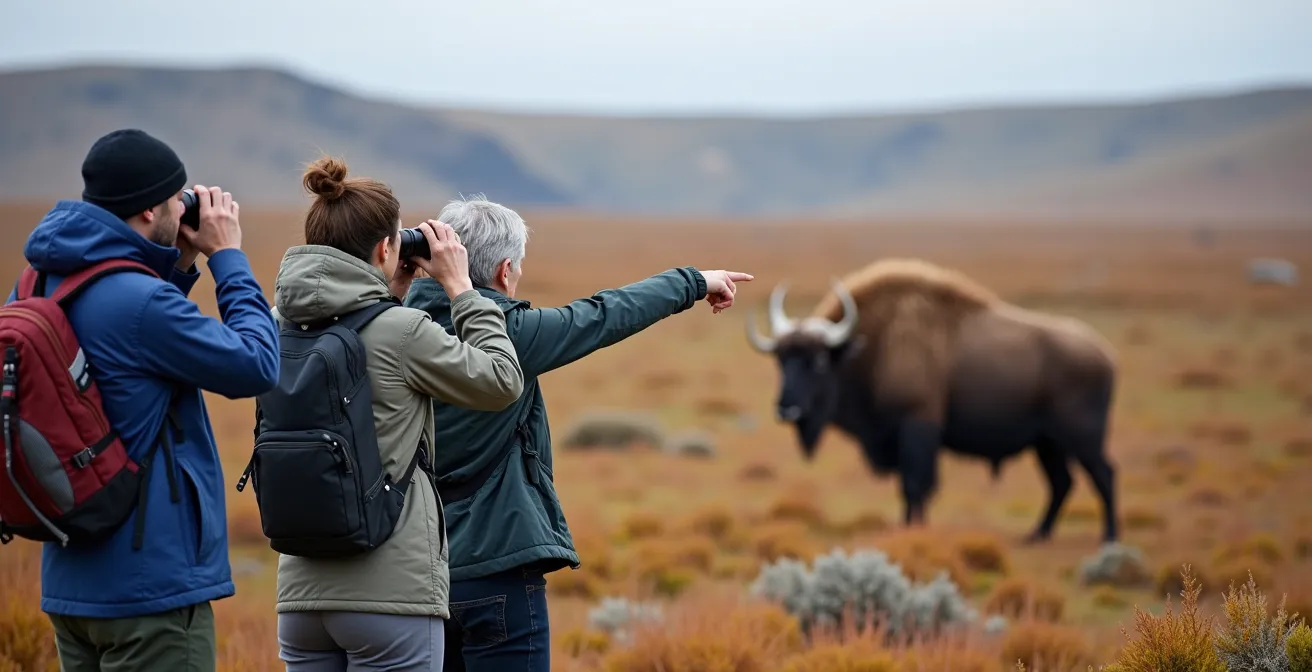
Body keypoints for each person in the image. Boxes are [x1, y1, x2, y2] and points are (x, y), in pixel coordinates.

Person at [403, 195, 753, 672]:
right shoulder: (511, 334)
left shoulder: (388, 330)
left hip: (410, 577)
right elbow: (604, 314)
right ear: (504, 272)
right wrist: (693, 281)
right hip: (498, 564)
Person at [3, 129, 280, 670]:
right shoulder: (140, 302)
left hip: (71, 582)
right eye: (178, 198)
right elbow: (256, 364)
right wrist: (228, 257)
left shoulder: (37, 283)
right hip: (150, 591)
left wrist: (175, 267)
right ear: (151, 210)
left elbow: (129, 358)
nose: (185, 206)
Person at [270, 157, 525, 672]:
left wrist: (389, 293)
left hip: (300, 596)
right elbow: (501, 380)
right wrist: (462, 289)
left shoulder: (276, 324)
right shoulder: (403, 331)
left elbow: (350, 320)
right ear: (388, 248)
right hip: (389, 595)